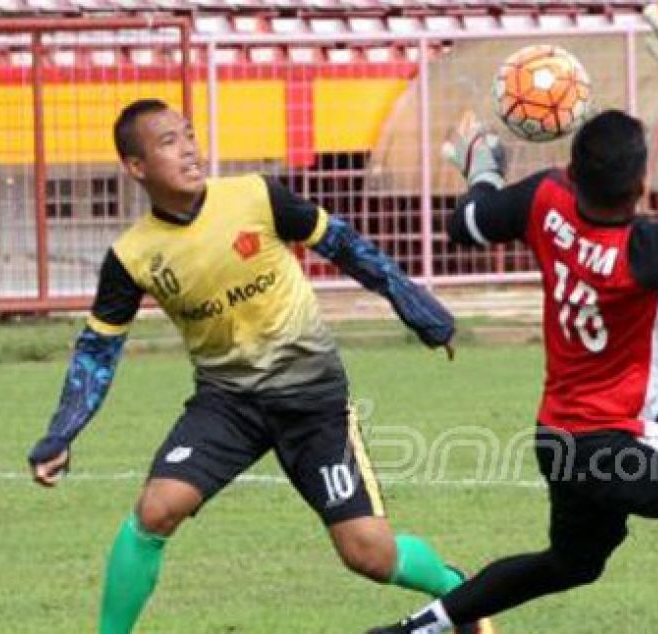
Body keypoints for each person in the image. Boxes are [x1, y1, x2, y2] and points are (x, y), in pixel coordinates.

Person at [368, 2, 658, 633]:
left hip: (559, 441)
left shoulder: (545, 199)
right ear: (640, 187)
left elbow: (468, 223)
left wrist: (483, 170)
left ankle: (417, 630)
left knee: (573, 563)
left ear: (572, 168)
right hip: (620, 449)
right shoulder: (646, 253)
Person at [26, 99, 494, 634]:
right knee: (156, 510)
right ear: (136, 166)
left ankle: (457, 590)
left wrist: (417, 307)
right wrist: (62, 432)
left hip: (312, 400)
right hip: (228, 405)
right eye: (169, 142)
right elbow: (97, 349)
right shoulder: (133, 256)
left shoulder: (255, 196)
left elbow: (342, 243)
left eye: (189, 135)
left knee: (369, 555)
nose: (189, 149)